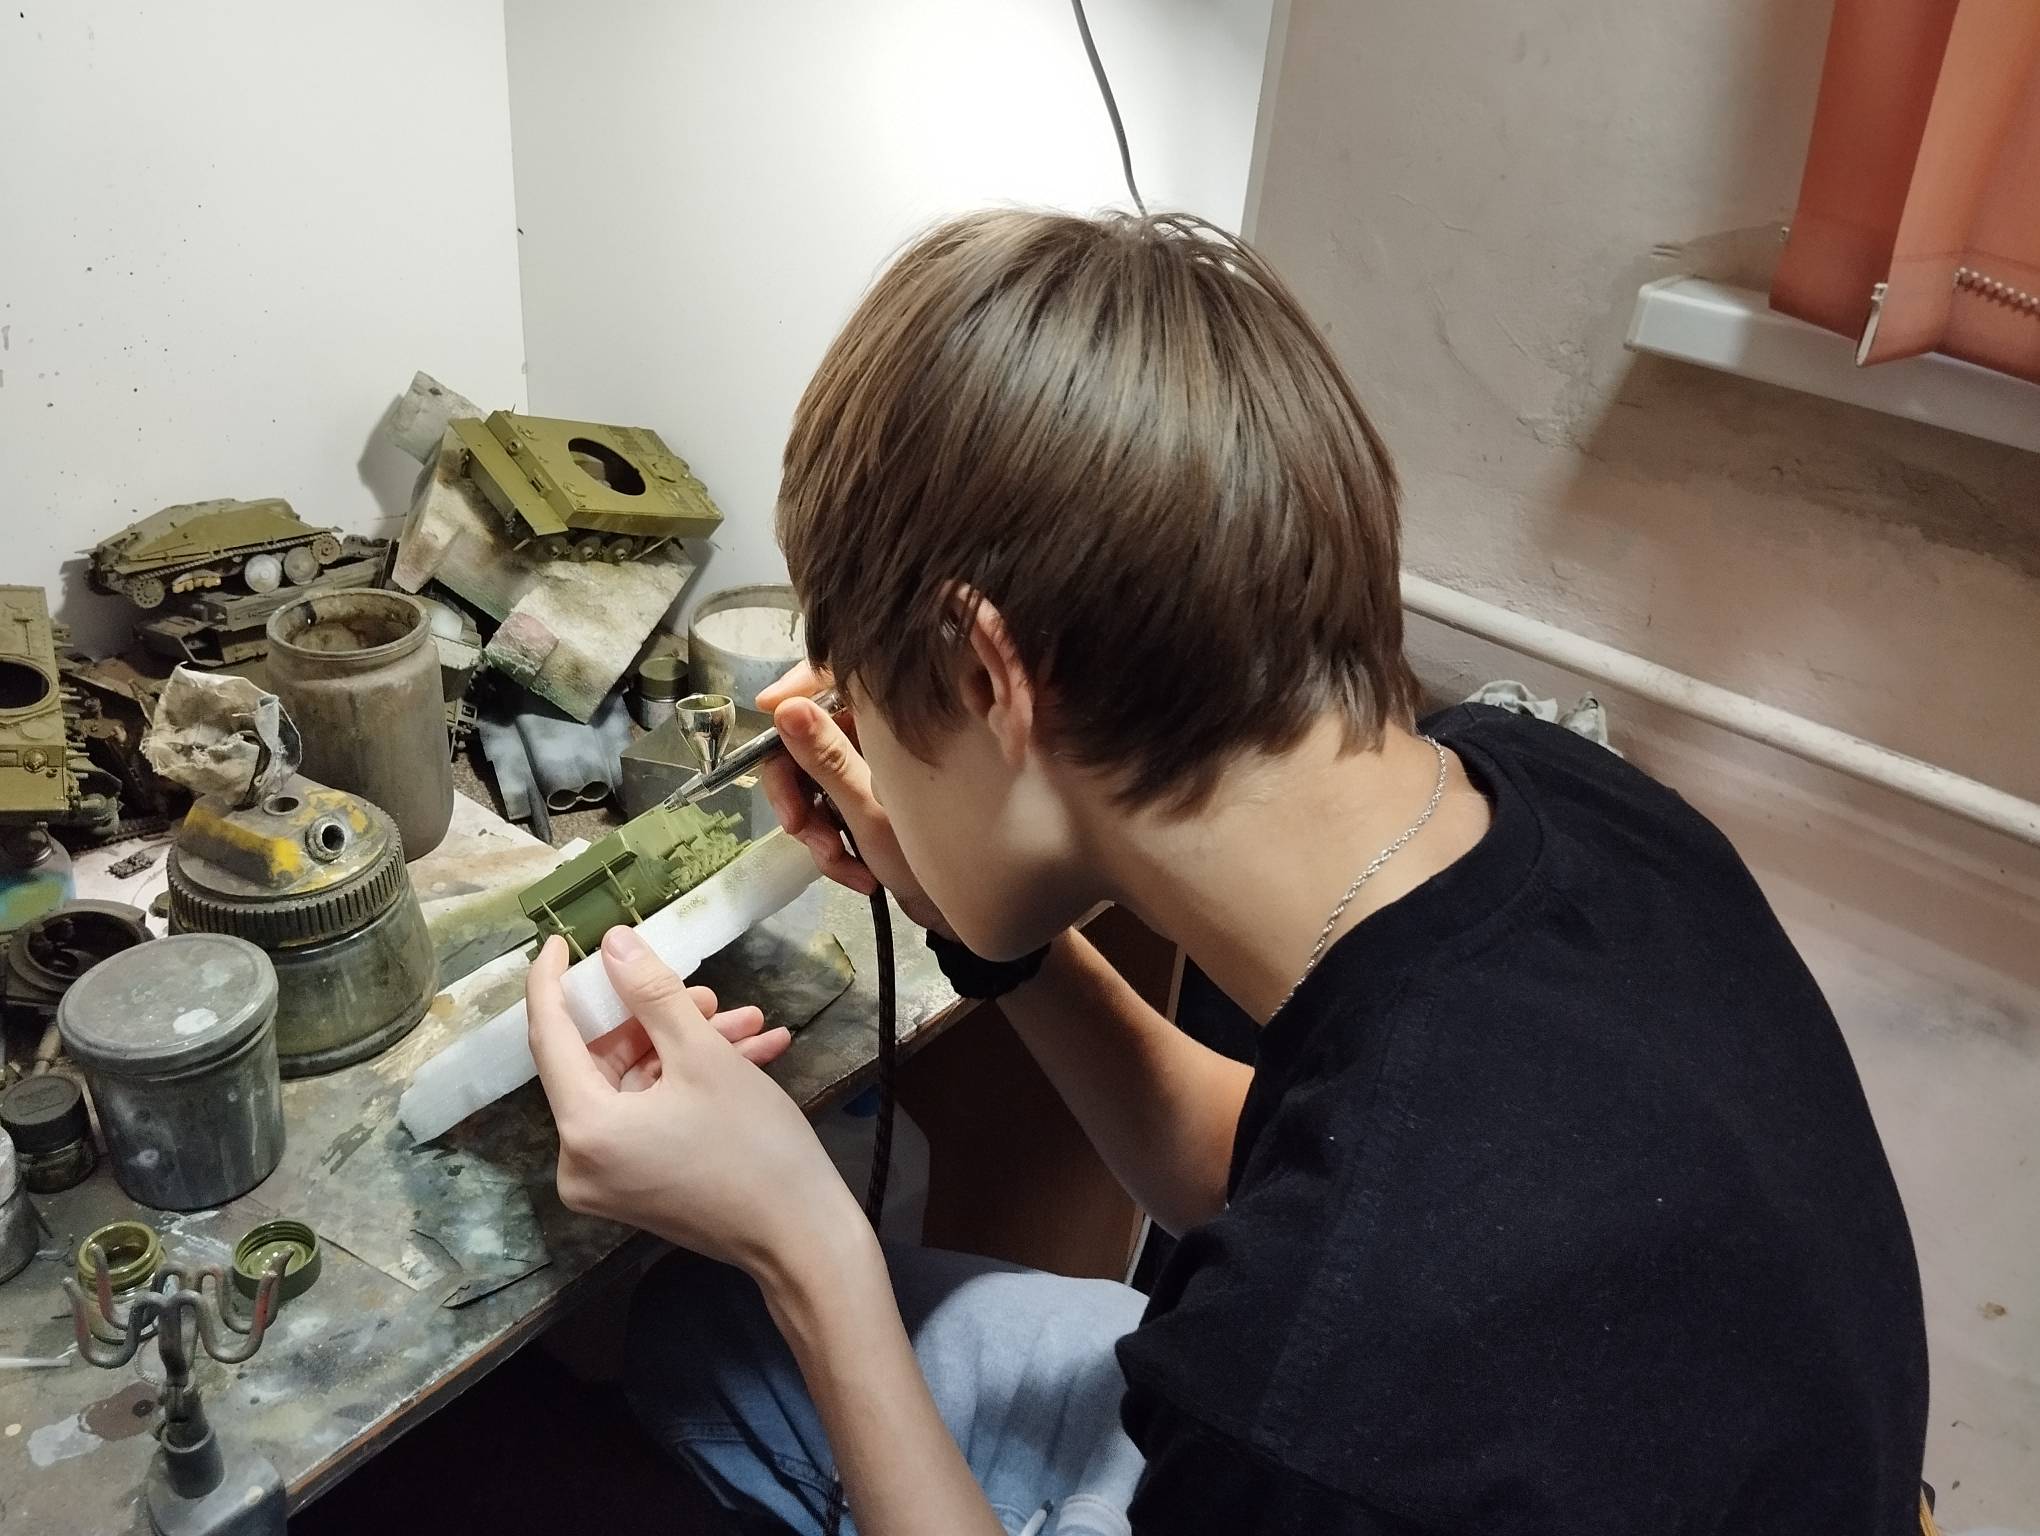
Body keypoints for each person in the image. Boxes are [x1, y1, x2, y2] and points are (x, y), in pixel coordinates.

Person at [523, 209, 1930, 1536]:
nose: (866, 749)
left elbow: (1330, 1324)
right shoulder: (1550, 793)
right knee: (708, 1336)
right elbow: (1266, 1168)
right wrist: (989, 936)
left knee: (738, 1351)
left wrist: (804, 1245)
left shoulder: (1316, 1401)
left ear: (984, 673)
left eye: (873, 703)